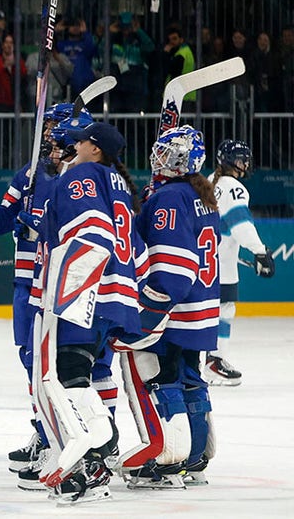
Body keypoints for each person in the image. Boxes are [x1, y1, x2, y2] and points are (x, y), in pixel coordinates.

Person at [28, 121, 141, 505]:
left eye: (82, 141)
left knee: (67, 376)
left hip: (85, 290)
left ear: (96, 150)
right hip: (116, 296)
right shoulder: (118, 183)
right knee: (81, 373)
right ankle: (98, 455)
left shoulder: (85, 176)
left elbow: (91, 231)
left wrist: (66, 290)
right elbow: (135, 249)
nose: (74, 145)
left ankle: (92, 459)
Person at [0, 104, 90, 479]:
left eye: (55, 126)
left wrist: (38, 220)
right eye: (46, 125)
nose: (48, 133)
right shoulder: (28, 172)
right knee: (31, 359)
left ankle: (85, 440)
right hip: (26, 281)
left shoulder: (80, 177)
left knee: (70, 363)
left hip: (62, 283)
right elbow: (0, 222)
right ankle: (45, 432)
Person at [118, 126, 220, 490]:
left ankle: (169, 460)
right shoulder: (199, 194)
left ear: (178, 160)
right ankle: (195, 458)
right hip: (203, 307)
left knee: (162, 377)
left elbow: (174, 269)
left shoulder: (170, 199)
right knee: (192, 377)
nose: (157, 157)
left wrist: (151, 307)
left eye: (165, 153)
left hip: (176, 309)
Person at [207, 140, 275, 385]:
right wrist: (259, 251)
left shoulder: (208, 182)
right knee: (224, 310)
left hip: (204, 261)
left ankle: (199, 363)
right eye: (240, 159)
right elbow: (240, 224)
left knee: (205, 313)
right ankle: (214, 363)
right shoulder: (233, 187)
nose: (244, 164)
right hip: (220, 266)